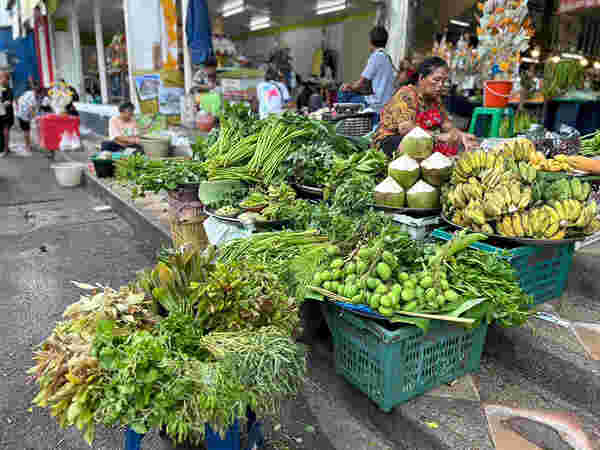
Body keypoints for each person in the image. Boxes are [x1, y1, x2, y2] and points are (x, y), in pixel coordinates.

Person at [374, 57, 478, 158]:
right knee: (417, 145)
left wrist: (461, 136)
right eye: (436, 80)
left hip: (422, 142)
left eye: (443, 81)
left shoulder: (435, 99)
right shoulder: (406, 94)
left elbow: (447, 125)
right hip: (390, 142)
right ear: (421, 78)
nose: (440, 85)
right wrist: (439, 137)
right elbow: (405, 128)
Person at [340, 26, 395, 116]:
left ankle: (343, 123)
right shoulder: (387, 57)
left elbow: (361, 83)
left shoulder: (376, 56)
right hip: (386, 101)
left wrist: (349, 86)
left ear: (370, 41)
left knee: (343, 93)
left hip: (376, 103)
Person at [16, 80, 43, 152]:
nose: (40, 97)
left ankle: (28, 145)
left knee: (26, 131)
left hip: (20, 113)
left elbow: (19, 100)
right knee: (27, 131)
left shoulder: (28, 92)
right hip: (24, 115)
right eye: (40, 95)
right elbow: (31, 109)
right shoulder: (33, 98)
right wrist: (35, 116)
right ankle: (28, 146)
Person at [0, 71, 14, 158]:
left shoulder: (9, 89)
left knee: (5, 131)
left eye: (2, 77)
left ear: (7, 79)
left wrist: (4, 103)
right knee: (1, 132)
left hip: (7, 114)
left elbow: (9, 102)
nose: (1, 79)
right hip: (1, 113)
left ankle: (5, 150)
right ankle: (5, 148)